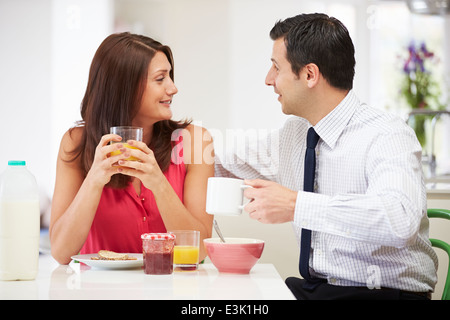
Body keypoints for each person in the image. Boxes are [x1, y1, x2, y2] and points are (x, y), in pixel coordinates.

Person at [215, 13, 437, 299]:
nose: (268, 79)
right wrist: (161, 142)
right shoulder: (295, 133)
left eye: (276, 67)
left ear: (310, 74)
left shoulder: (387, 134)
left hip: (381, 293)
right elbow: (220, 159)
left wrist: (296, 205)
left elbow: (399, 220)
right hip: (318, 290)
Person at [50, 33, 214, 265]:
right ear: (124, 88)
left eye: (170, 77)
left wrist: (159, 183)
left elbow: (198, 252)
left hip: (170, 288)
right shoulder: (76, 143)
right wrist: (94, 180)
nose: (173, 88)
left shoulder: (194, 141)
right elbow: (61, 253)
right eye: (160, 79)